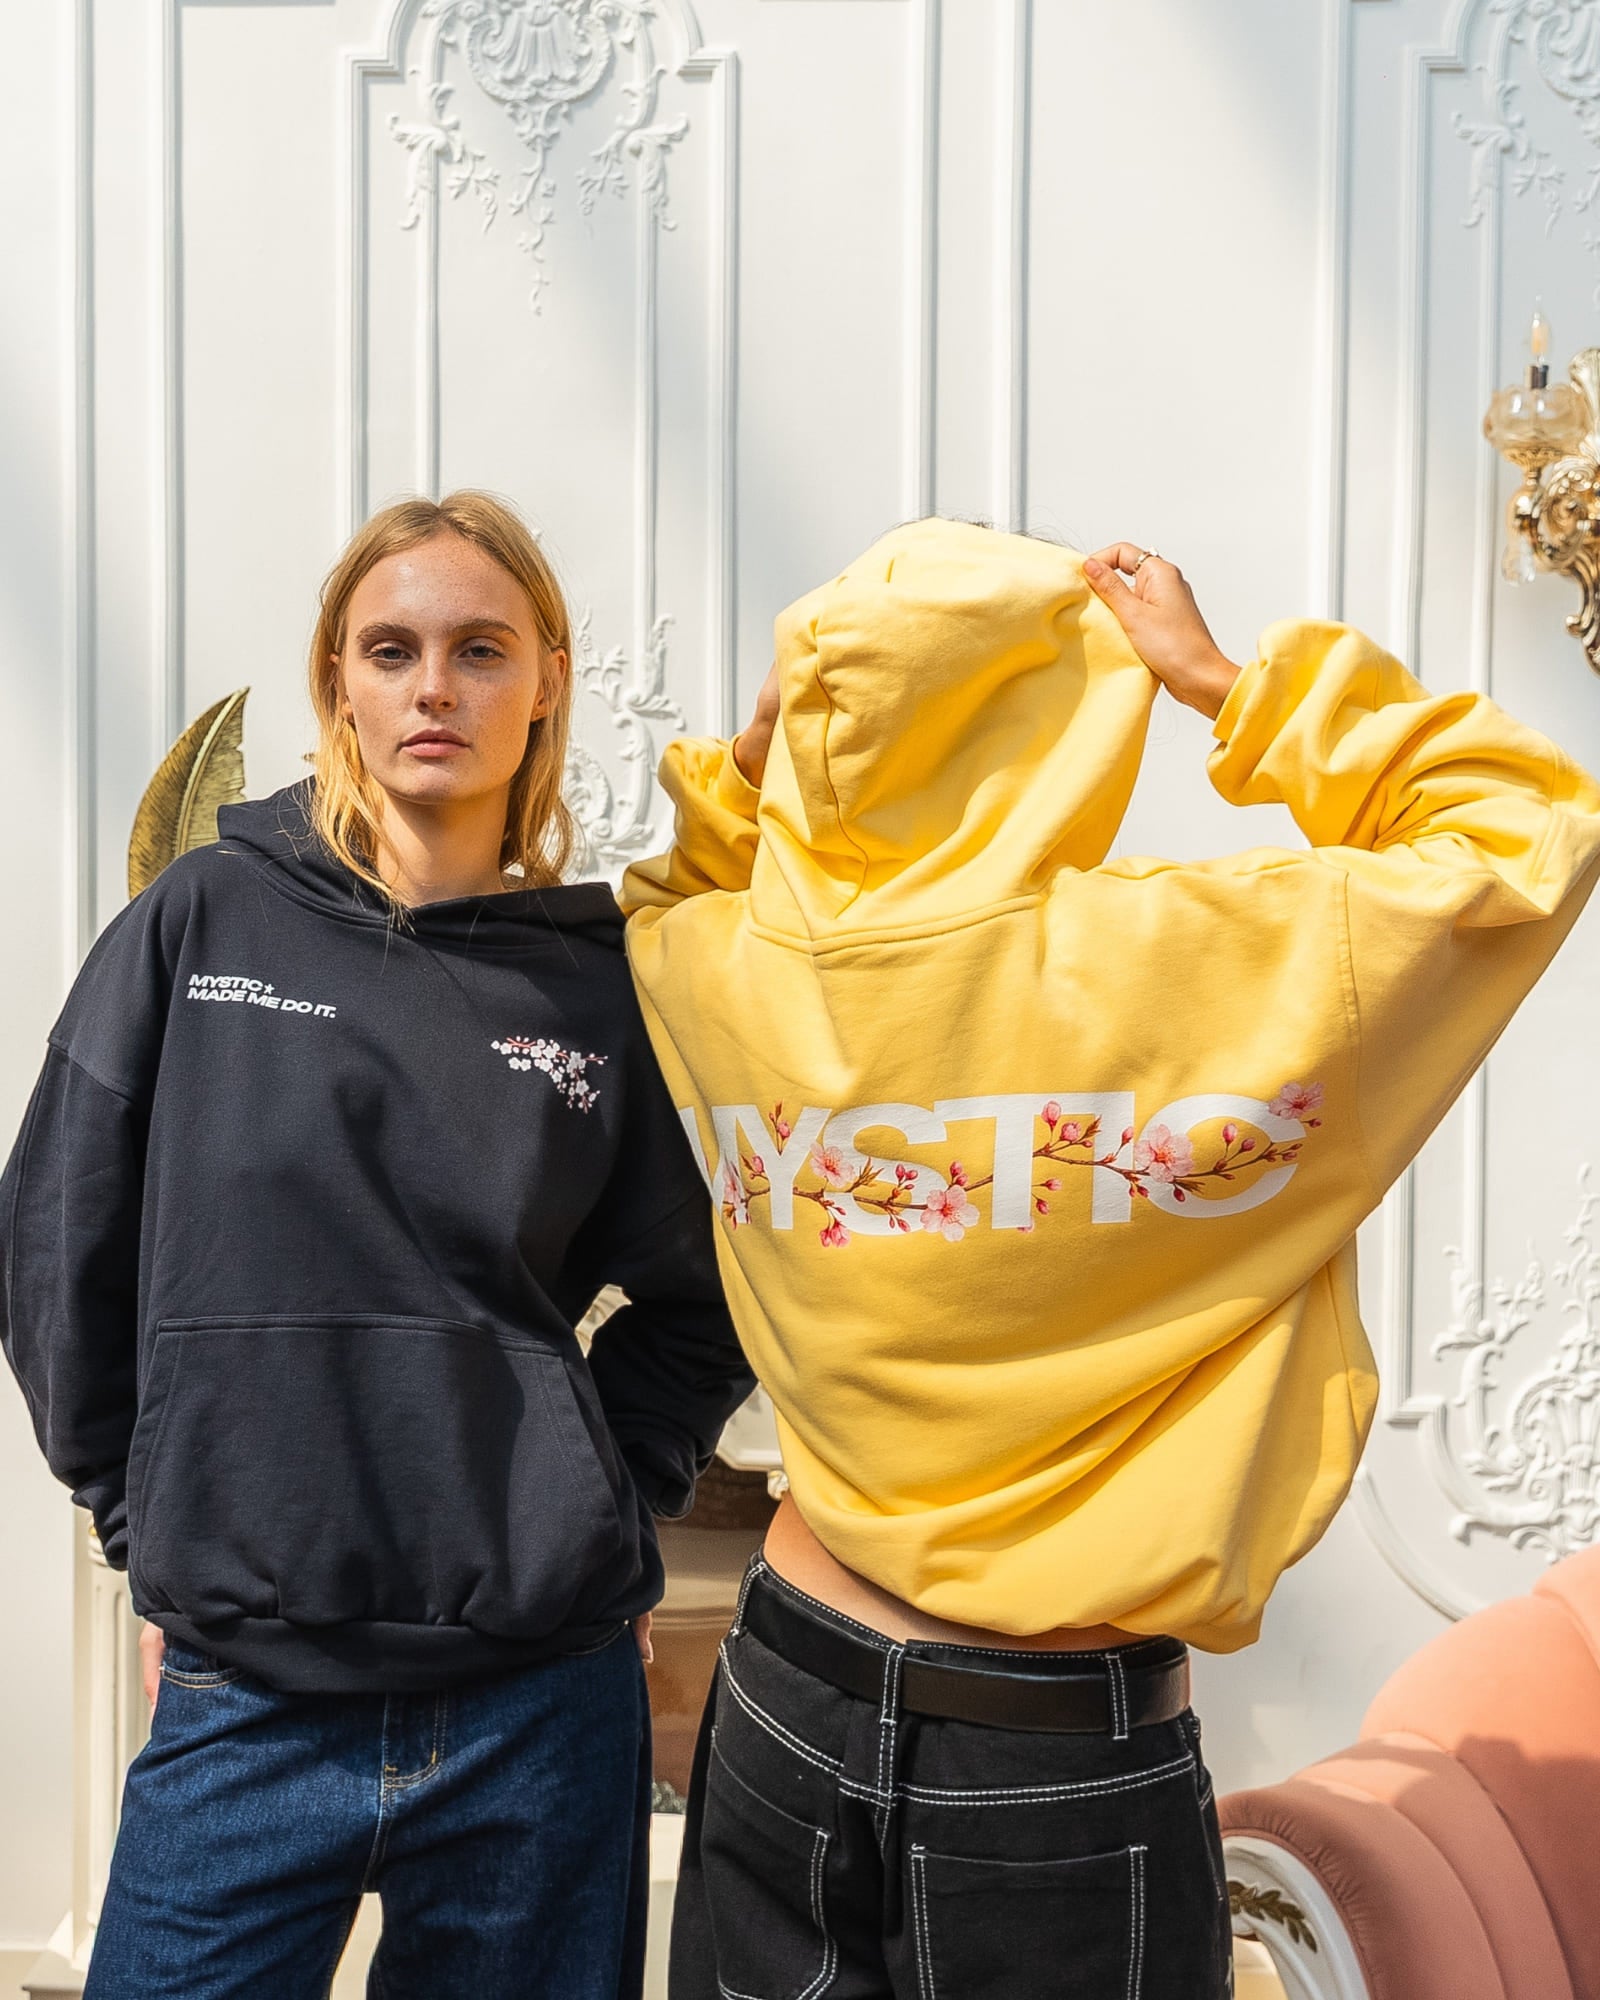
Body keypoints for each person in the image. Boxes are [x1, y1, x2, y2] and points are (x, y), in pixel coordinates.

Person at [620, 516, 1600, 2000]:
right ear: (1066, 705)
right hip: (1053, 1747)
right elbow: (1527, 827)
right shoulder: (1203, 959)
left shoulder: (719, 966)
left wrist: (758, 770)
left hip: (785, 1677)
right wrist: (1224, 684)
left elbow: (664, 891)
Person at [1, 490, 753, 1999]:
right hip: (250, 1696)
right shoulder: (207, 921)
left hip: (538, 1702)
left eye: (481, 650)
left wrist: (599, 1497)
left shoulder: (599, 986)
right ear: (338, 683)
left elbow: (710, 1292)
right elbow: (58, 1237)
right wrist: (152, 1524)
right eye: (392, 651)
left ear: (546, 679)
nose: (434, 690)